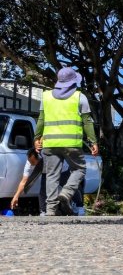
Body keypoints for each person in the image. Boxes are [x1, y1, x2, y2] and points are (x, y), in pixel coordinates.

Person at [34, 67, 99, 216]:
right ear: (73, 82)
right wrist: (93, 141)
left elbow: (41, 120)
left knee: (51, 175)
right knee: (80, 169)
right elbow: (87, 121)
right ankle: (66, 193)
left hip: (50, 144)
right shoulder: (79, 97)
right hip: (72, 144)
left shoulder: (46, 97)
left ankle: (50, 210)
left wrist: (36, 138)